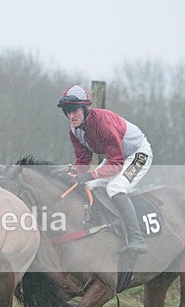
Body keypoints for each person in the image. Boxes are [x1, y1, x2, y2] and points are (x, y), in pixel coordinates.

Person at [57, 84, 153, 254]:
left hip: (138, 154)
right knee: (90, 187)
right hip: (115, 158)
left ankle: (136, 237)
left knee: (115, 188)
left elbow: (116, 164)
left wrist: (91, 174)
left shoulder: (103, 124)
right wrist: (73, 174)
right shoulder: (74, 131)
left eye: (74, 110)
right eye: (67, 112)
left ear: (85, 108)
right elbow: (83, 160)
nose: (71, 116)